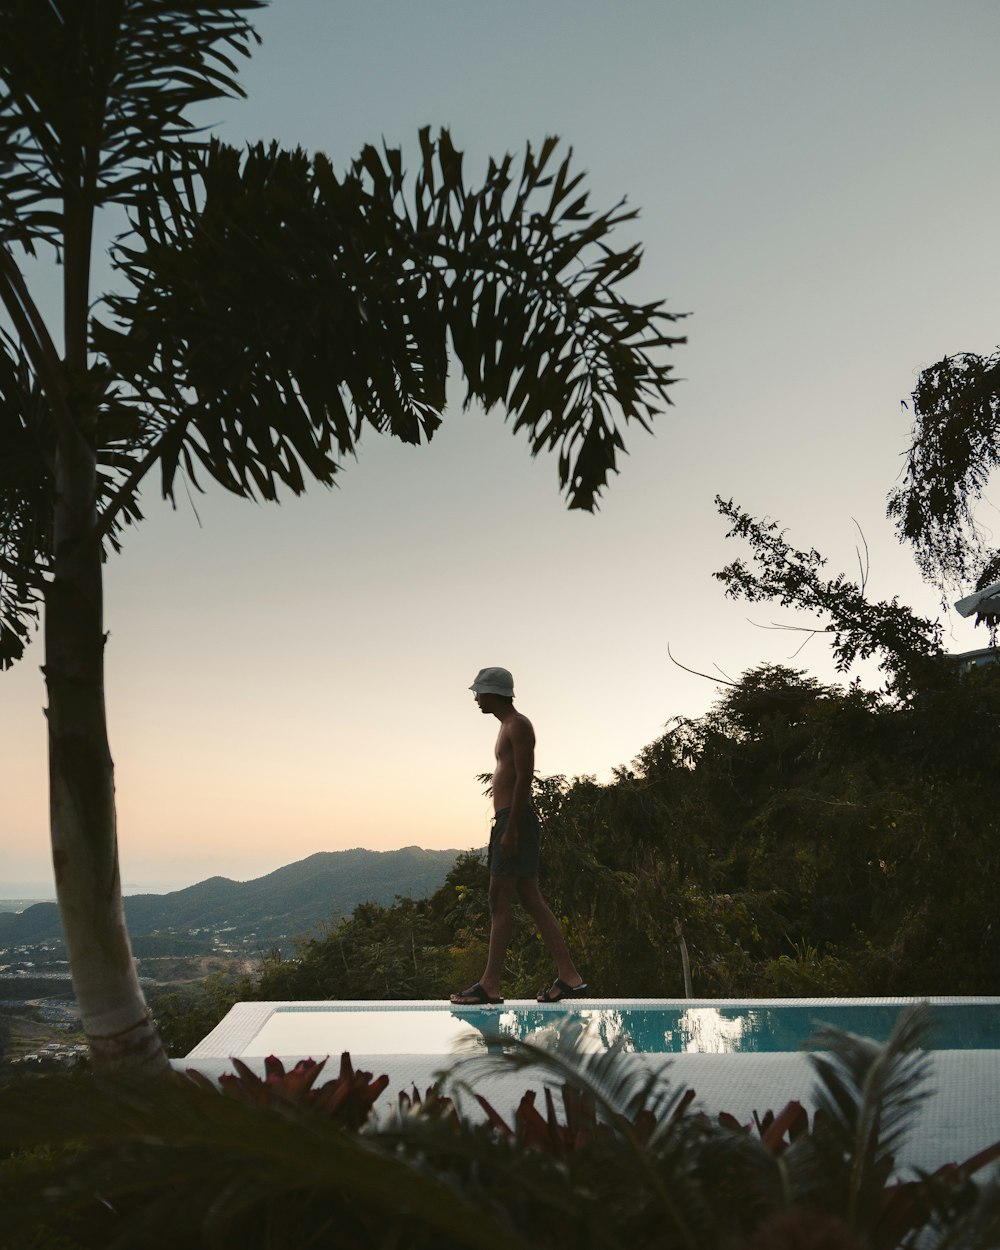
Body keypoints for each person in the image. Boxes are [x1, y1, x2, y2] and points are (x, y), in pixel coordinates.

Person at [450, 667, 588, 1006]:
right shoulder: (507, 727)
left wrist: (510, 829)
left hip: (516, 820)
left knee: (499, 899)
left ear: (493, 692)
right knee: (529, 898)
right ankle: (569, 976)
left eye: (479, 692)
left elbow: (525, 777)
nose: (475, 698)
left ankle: (490, 985)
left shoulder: (519, 725)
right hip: (510, 819)